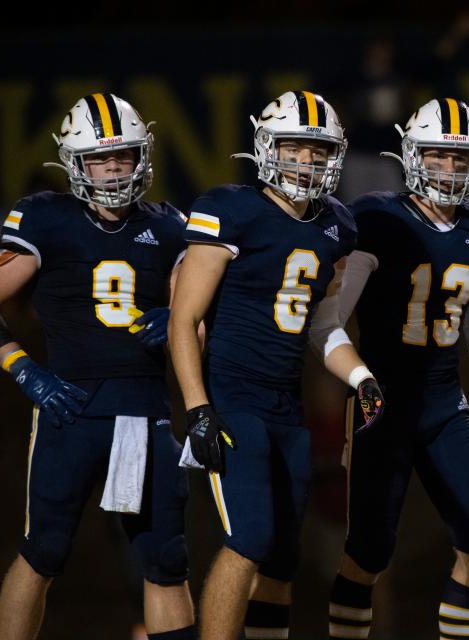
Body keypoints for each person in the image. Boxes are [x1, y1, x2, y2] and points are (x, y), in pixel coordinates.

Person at [0, 93, 196, 640]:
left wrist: (181, 316)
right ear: (73, 162)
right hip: (71, 406)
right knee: (44, 551)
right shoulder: (45, 217)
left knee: (167, 559)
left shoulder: (169, 225)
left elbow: (199, 324)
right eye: (98, 158)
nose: (112, 168)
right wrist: (25, 371)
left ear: (143, 157)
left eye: (124, 156)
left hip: (145, 408)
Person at [167, 90, 384, 640]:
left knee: (283, 560)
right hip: (233, 398)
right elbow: (184, 318)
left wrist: (360, 376)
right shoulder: (230, 209)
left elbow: (321, 324)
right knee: (249, 539)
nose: (306, 159)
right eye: (294, 146)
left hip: (287, 407)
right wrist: (197, 407)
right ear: (267, 147)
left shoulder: (336, 225)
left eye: (318, 149)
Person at [309, 98, 469, 640]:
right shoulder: (375, 219)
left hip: (445, 402)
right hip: (383, 406)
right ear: (413, 156)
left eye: (460, 158)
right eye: (439, 156)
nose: (449, 169)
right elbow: (330, 321)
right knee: (367, 554)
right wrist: (354, 380)